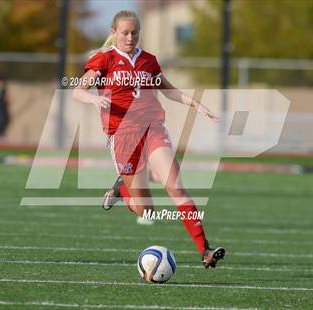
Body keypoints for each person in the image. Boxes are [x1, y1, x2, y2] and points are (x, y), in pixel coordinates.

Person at [73, 10, 225, 268]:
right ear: (114, 33)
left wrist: (196, 105)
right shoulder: (104, 59)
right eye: (125, 33)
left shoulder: (149, 61)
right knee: (148, 211)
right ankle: (122, 189)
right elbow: (78, 90)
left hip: (153, 129)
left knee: (176, 187)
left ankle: (205, 251)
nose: (130, 37)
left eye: (134, 32)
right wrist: (94, 98)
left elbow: (169, 91)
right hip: (122, 137)